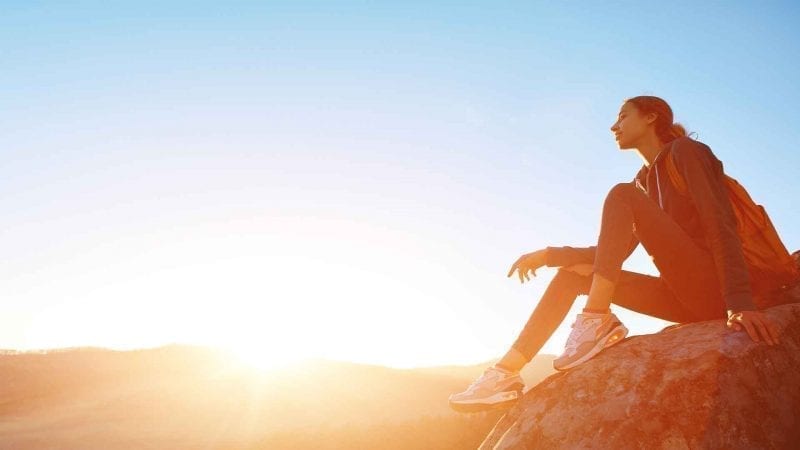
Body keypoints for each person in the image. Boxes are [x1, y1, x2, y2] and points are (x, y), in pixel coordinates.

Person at [448, 95, 786, 413]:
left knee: (620, 195)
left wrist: (740, 303)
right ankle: (504, 373)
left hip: (722, 292)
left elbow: (719, 221)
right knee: (572, 276)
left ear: (652, 117)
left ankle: (595, 318)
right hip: (685, 298)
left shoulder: (686, 152)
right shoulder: (642, 183)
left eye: (623, 116)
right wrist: (550, 255)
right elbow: (612, 254)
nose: (614, 126)